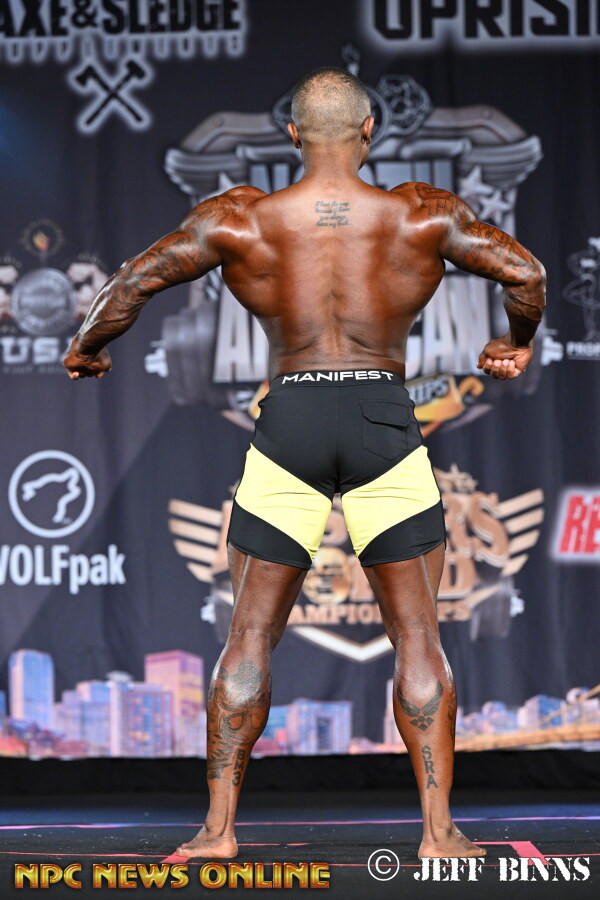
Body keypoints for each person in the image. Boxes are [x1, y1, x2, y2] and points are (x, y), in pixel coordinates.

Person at [63, 67, 546, 860]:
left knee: (250, 634)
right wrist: (514, 342)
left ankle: (217, 832)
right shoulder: (420, 212)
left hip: (289, 420)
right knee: (418, 636)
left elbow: (135, 281)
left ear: (291, 135)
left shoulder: (241, 219)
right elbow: (526, 274)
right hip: (383, 420)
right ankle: (438, 834)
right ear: (369, 132)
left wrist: (88, 347)